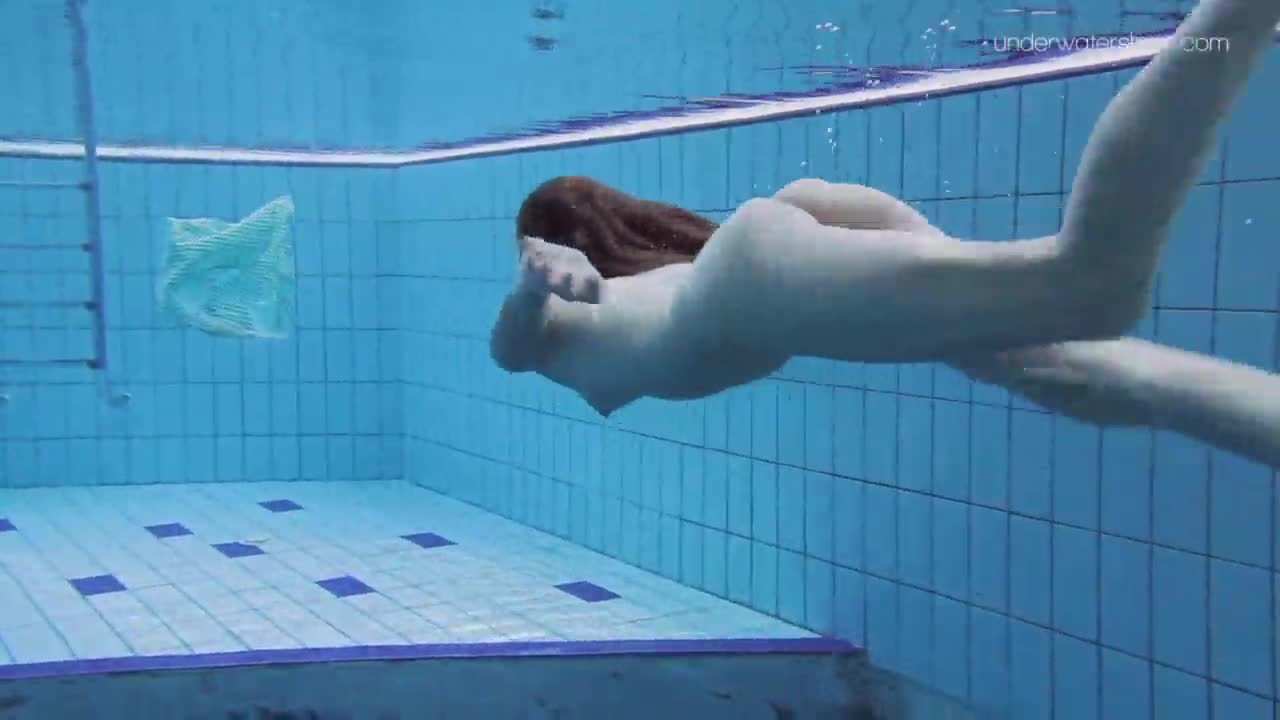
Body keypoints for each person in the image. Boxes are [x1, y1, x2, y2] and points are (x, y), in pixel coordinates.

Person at [490, 0, 1280, 468]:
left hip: (749, 279)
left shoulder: (560, 326)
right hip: (775, 241)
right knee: (1045, 367)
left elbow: (508, 347)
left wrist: (532, 280)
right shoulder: (627, 294)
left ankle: (1238, 16)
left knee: (1091, 287)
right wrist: (539, 278)